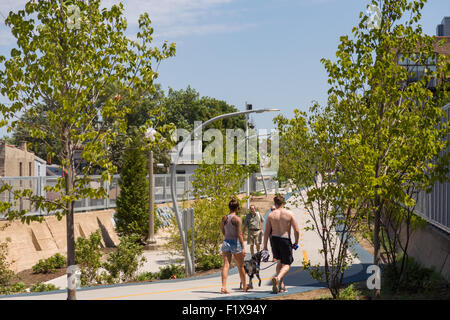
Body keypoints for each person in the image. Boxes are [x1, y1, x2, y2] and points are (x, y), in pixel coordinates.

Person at [263, 194, 300, 294]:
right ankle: (278, 278)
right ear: (283, 203)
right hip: (285, 239)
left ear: (274, 203)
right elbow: (296, 230)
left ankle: (281, 286)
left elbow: (266, 232)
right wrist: (296, 242)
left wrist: (265, 246)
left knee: (279, 262)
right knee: (287, 264)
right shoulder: (289, 213)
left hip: (274, 240)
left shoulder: (271, 215)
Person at [220, 198, 247, 294]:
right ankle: (244, 286)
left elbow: (222, 230)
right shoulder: (237, 219)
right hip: (235, 243)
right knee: (240, 266)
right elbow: (239, 234)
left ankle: (223, 287)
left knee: (226, 265)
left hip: (226, 241)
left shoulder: (224, 218)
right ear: (237, 208)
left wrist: (226, 235)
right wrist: (243, 247)